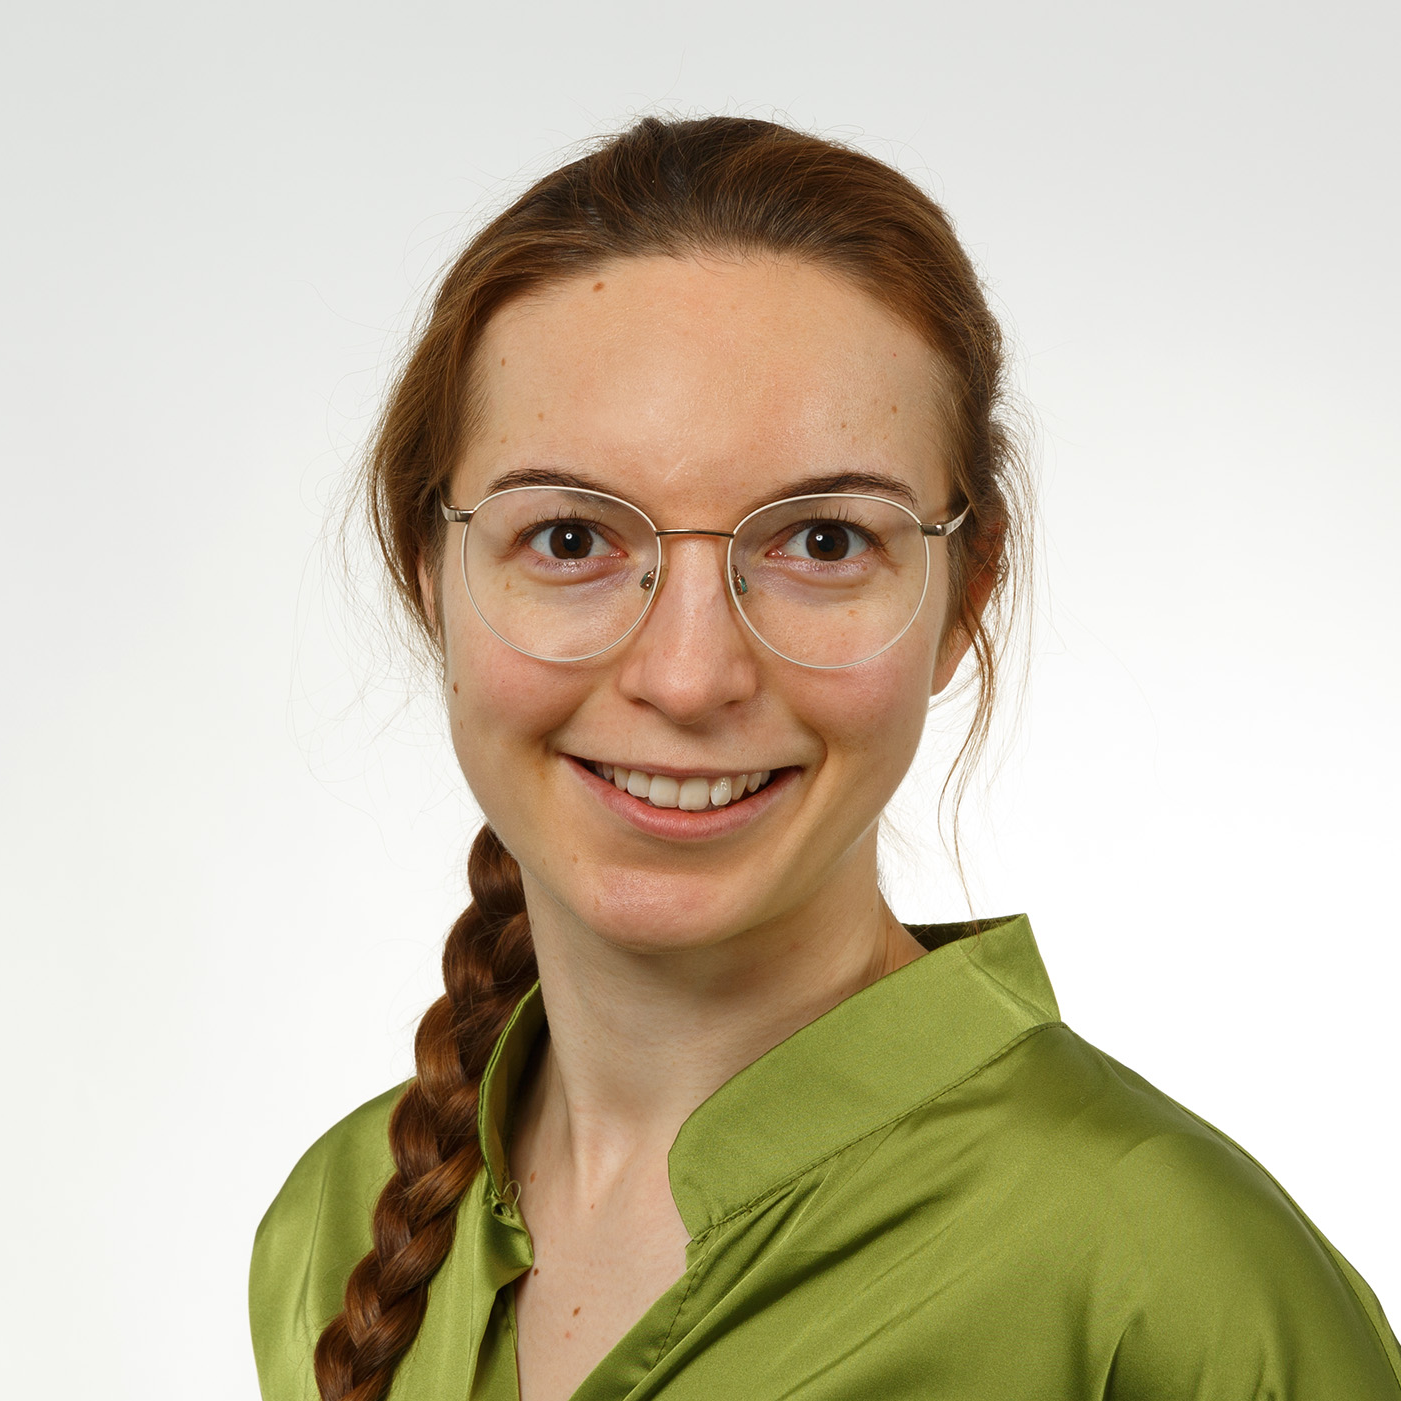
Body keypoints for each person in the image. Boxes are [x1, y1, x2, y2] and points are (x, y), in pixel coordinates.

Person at [249, 115, 1401, 1401]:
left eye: (825, 543)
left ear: (965, 595)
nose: (689, 676)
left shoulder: (1172, 1280)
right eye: (571, 539)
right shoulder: (336, 1226)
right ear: (432, 576)